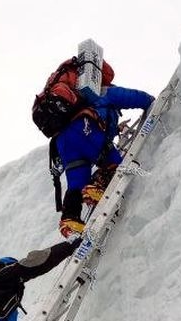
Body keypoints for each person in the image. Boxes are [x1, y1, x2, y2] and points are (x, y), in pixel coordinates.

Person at [55, 63, 154, 239]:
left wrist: (115, 129)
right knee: (112, 161)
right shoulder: (102, 91)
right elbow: (131, 97)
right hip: (84, 130)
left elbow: (100, 121)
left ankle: (70, 219)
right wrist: (151, 101)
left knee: (77, 182)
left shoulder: (77, 98)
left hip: (63, 141)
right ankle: (97, 187)